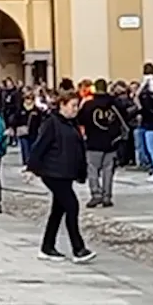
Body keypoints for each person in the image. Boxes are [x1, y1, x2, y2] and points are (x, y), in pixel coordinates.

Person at [26, 91, 95, 263]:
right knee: (72, 205)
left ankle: (47, 247)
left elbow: (78, 148)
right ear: (62, 105)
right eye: (72, 105)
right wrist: (31, 168)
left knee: (58, 210)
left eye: (77, 106)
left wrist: (81, 172)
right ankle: (78, 249)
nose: (75, 109)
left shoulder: (72, 123)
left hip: (66, 173)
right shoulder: (52, 123)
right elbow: (40, 146)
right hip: (53, 172)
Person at [76, 80, 126, 208]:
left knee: (92, 169)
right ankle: (107, 196)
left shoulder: (89, 105)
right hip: (111, 142)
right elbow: (124, 116)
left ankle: (95, 194)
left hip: (93, 142)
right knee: (108, 170)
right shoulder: (114, 104)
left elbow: (80, 120)